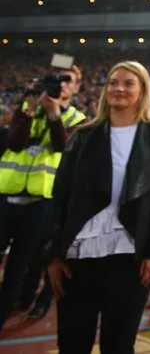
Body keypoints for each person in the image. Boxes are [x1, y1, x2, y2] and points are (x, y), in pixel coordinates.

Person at [43, 60, 150, 354]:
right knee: (72, 343)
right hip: (77, 259)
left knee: (118, 345)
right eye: (113, 82)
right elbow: (61, 195)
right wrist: (54, 254)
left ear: (143, 90)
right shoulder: (82, 135)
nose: (119, 88)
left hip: (131, 260)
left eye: (128, 83)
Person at [0, 65, 86, 334]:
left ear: (75, 88)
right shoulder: (29, 108)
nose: (59, 86)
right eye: (55, 80)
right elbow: (14, 143)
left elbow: (63, 146)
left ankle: (13, 310)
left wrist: (53, 114)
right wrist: (28, 107)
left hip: (44, 201)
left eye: (66, 81)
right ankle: (23, 299)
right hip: (8, 196)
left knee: (24, 262)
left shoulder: (76, 117)